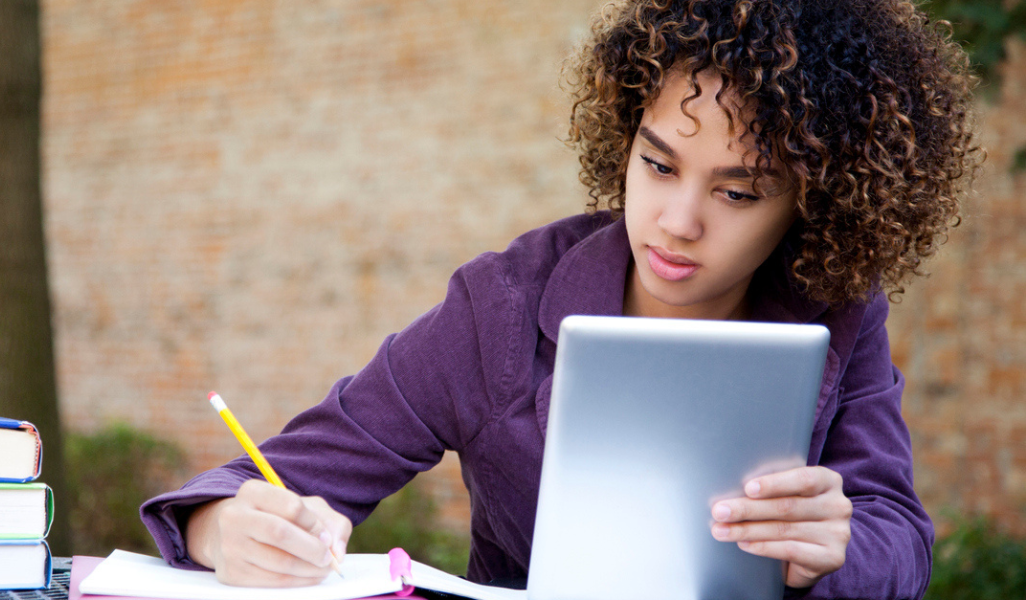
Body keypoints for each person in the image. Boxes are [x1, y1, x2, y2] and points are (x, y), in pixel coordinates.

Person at [140, 1, 980, 598]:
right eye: (658, 165)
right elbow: (277, 476)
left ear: (812, 200)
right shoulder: (501, 304)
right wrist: (225, 529)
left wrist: (836, 548)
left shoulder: (839, 311)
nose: (677, 223)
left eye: (738, 193)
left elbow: (897, 541)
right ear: (624, 136)